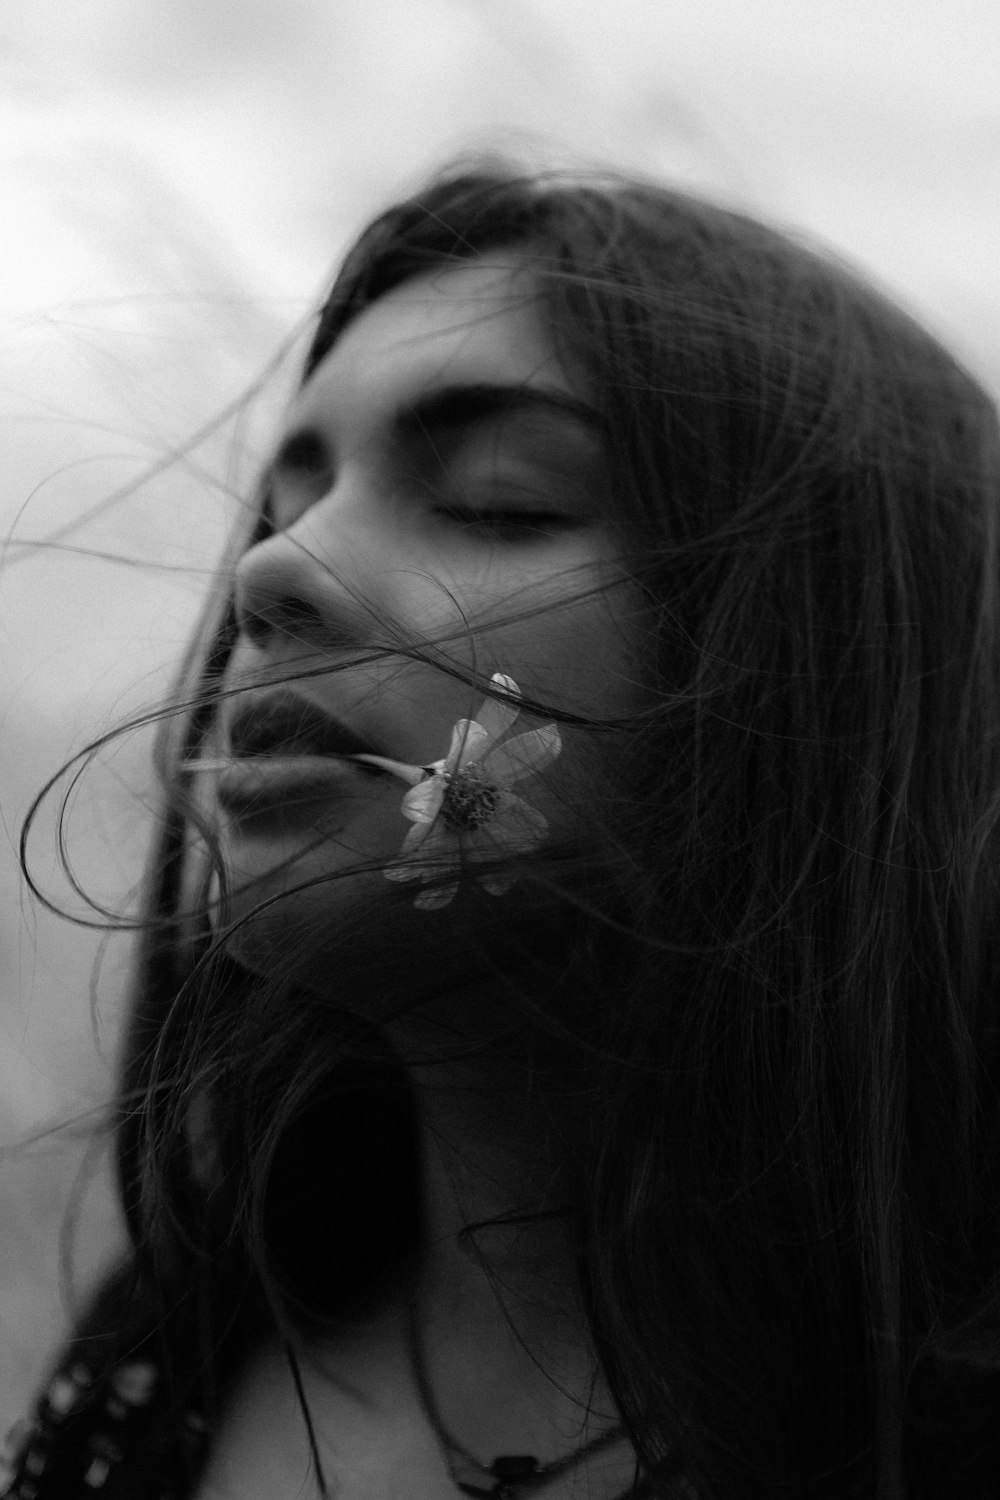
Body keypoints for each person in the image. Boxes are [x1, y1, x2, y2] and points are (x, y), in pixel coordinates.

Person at [4, 159, 1000, 1500]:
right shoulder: (184, 1334)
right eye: (290, 502)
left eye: (496, 495)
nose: (265, 572)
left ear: (829, 678)